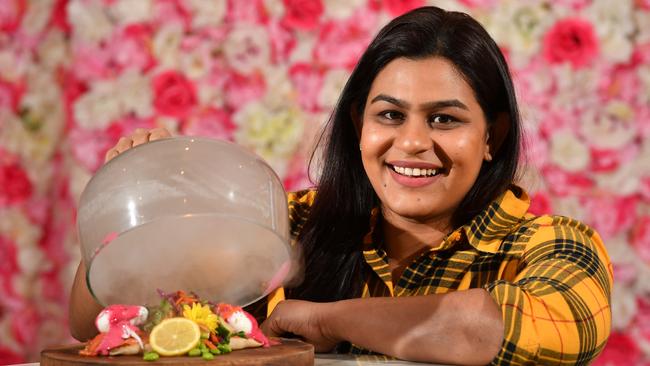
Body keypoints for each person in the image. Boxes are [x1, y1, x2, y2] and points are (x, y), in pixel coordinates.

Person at [69, 6, 612, 365]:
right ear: (359, 126)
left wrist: (324, 319)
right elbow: (96, 319)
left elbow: (484, 329)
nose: (413, 143)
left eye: (445, 119)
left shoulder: (555, 246)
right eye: (390, 115)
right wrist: (137, 199)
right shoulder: (292, 226)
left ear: (492, 136)